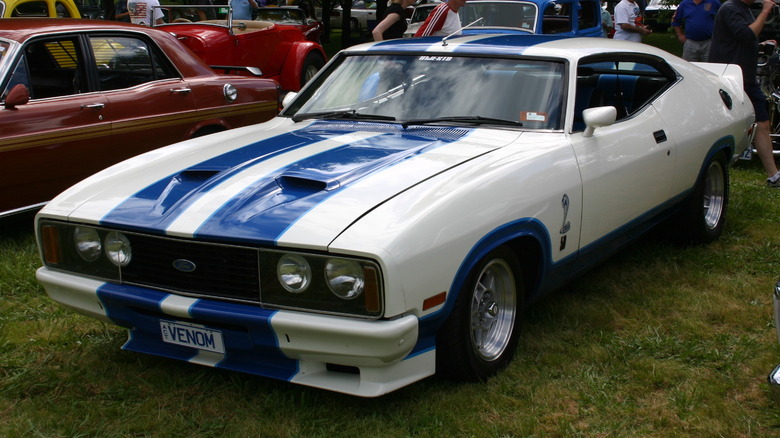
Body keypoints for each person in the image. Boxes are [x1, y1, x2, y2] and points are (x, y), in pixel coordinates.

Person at [710, 0, 780, 186]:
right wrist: (765, 11)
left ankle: (774, 176)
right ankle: (713, 169)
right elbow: (747, 35)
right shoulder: (730, 8)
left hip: (745, 78)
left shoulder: (744, 9)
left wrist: (761, 43)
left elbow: (743, 38)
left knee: (762, 123)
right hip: (730, 78)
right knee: (727, 125)